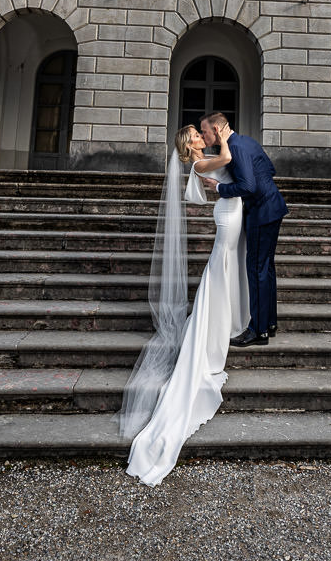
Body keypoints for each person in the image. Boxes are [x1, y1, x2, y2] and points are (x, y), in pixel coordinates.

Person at [120, 123, 249, 486]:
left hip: (234, 211)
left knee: (225, 269)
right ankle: (211, 329)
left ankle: (224, 320)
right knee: (219, 269)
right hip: (227, 216)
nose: (198, 136)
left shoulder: (203, 160)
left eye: (199, 132)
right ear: (188, 144)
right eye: (194, 134)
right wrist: (225, 135)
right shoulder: (199, 163)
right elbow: (226, 157)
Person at [199, 111, 288, 348]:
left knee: (257, 269)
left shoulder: (235, 148)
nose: (202, 135)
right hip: (273, 207)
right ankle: (268, 323)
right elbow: (269, 169)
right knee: (267, 268)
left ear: (216, 130)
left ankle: (257, 330)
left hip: (261, 213)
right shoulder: (246, 140)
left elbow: (248, 186)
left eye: (204, 131)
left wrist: (219, 187)